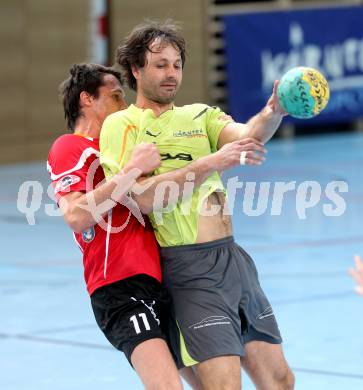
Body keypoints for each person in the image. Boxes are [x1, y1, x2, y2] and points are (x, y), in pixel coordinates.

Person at [100, 20, 294, 390]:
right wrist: (210, 163)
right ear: (137, 70)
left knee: (280, 379)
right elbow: (140, 196)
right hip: (188, 269)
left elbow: (247, 136)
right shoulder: (123, 125)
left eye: (176, 64)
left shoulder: (200, 115)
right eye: (160, 65)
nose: (171, 73)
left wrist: (274, 111)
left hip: (234, 262)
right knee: (223, 385)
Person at [47, 63, 261, 390]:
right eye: (116, 97)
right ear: (86, 99)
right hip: (119, 286)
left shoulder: (128, 141)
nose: (124, 105)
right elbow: (76, 216)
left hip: (163, 280)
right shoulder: (71, 147)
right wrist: (131, 171)